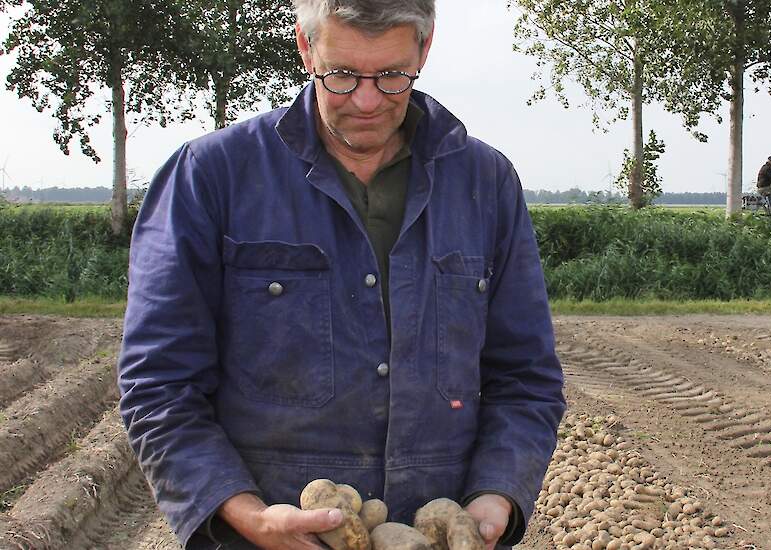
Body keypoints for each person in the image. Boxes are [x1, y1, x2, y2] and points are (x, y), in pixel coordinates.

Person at [116, 1, 566, 549]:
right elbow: (159, 384)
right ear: (306, 48)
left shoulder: (485, 183)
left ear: (425, 49)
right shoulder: (211, 176)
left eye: (393, 75)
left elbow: (525, 378)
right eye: (343, 74)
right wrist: (249, 517)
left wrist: (497, 494)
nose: (368, 99)